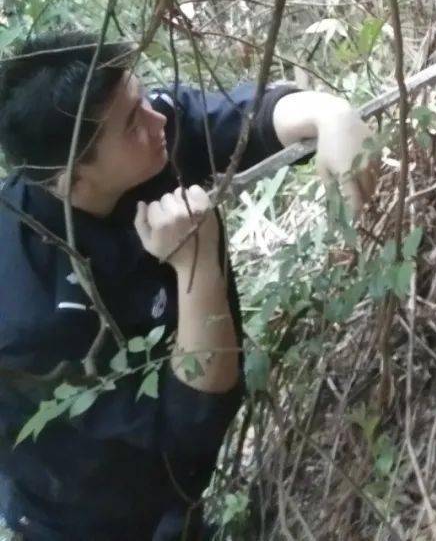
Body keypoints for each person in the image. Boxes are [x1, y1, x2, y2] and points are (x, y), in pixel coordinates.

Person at [0, 31, 378, 541]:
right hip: (86, 513)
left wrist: (332, 116)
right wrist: (195, 264)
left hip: (177, 490)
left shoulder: (145, 137)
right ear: (69, 178)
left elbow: (241, 119)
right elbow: (188, 424)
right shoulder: (28, 311)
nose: (156, 121)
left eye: (142, 99)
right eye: (133, 123)